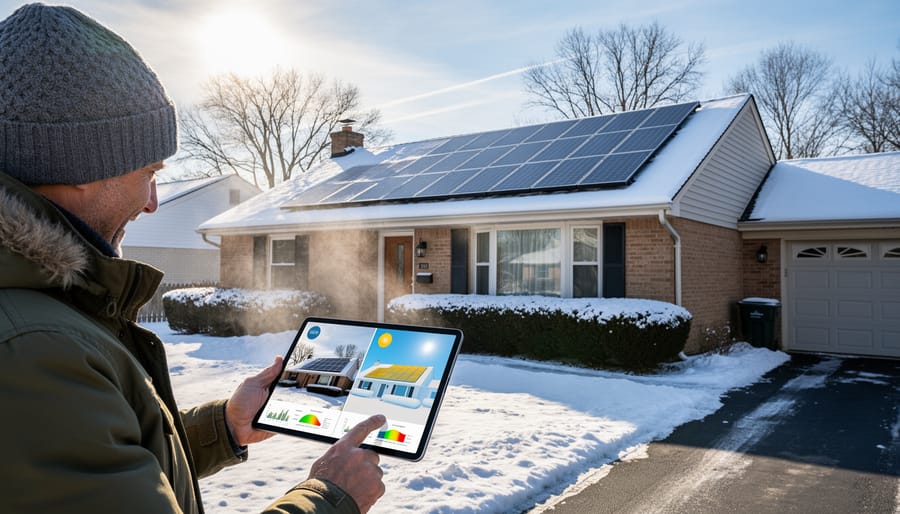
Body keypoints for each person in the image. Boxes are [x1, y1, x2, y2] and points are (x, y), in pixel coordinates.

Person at [0, 3, 385, 513]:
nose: (152, 202)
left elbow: (98, 458)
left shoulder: (45, 317)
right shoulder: (35, 349)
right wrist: (331, 497)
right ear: (78, 166)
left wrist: (223, 427)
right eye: (148, 173)